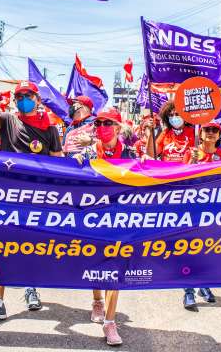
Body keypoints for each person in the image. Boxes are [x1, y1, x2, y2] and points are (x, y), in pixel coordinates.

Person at [0, 67, 63, 320]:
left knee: (31, 247)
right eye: (19, 96)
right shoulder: (7, 121)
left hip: (37, 200)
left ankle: (31, 287)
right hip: (9, 197)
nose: (24, 100)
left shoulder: (50, 130)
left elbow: (59, 165)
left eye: (28, 95)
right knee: (3, 246)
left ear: (37, 99)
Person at [73, 107, 134, 346]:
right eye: (98, 123)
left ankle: (110, 322)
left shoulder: (130, 153)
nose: (101, 127)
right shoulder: (88, 152)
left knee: (114, 268)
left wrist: (146, 165)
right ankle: (97, 301)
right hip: (93, 217)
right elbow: (70, 177)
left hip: (119, 219)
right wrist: (74, 165)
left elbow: (146, 177)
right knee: (96, 264)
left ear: (118, 128)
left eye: (107, 123)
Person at [182, 121, 221, 310]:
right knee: (189, 249)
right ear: (200, 133)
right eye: (207, 130)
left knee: (208, 249)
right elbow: (181, 179)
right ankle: (188, 291)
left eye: (214, 130)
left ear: (219, 135)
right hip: (191, 209)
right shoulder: (191, 153)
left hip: (213, 210)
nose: (211, 133)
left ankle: (204, 284)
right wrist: (191, 163)